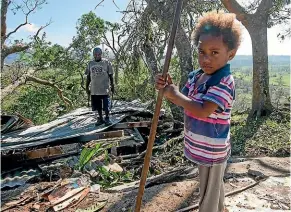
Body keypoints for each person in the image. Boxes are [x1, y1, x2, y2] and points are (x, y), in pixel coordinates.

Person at [155, 11, 242, 212]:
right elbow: (185, 101)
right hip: (202, 145)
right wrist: (169, 88)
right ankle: (220, 209)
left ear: (231, 54)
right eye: (202, 52)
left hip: (213, 149)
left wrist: (175, 95)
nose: (206, 59)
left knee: (207, 192)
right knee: (213, 186)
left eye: (214, 52)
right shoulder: (197, 76)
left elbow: (203, 110)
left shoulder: (224, 81)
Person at [85, 47, 114, 126]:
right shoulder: (90, 63)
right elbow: (88, 77)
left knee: (106, 105)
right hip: (94, 89)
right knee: (98, 106)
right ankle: (100, 119)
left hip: (104, 89)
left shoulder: (107, 62)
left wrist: (112, 85)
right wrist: (87, 87)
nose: (97, 55)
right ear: (93, 55)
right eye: (95, 54)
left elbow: (111, 75)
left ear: (101, 54)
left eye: (99, 54)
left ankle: (107, 118)